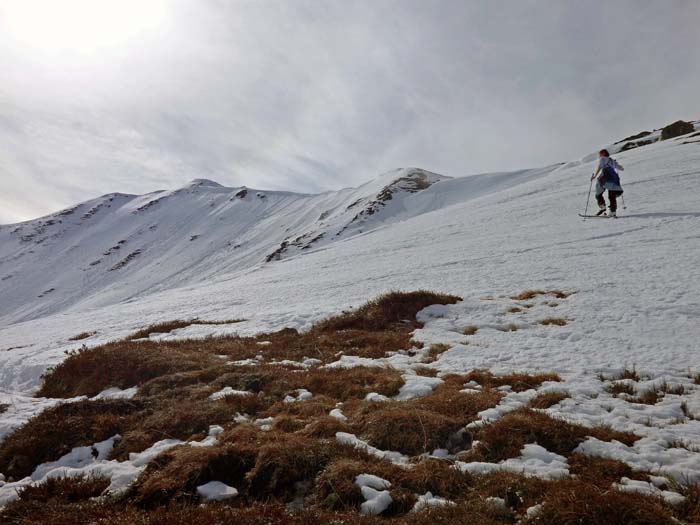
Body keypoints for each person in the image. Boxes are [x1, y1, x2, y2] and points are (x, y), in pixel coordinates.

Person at [591, 149, 624, 217]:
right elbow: (621, 168)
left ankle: (602, 207)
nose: (599, 155)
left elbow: (600, 167)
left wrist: (594, 176)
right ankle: (613, 212)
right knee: (611, 196)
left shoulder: (602, 159)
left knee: (598, 193)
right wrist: (615, 165)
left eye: (600, 153)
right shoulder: (611, 160)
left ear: (603, 153)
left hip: (605, 178)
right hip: (614, 179)